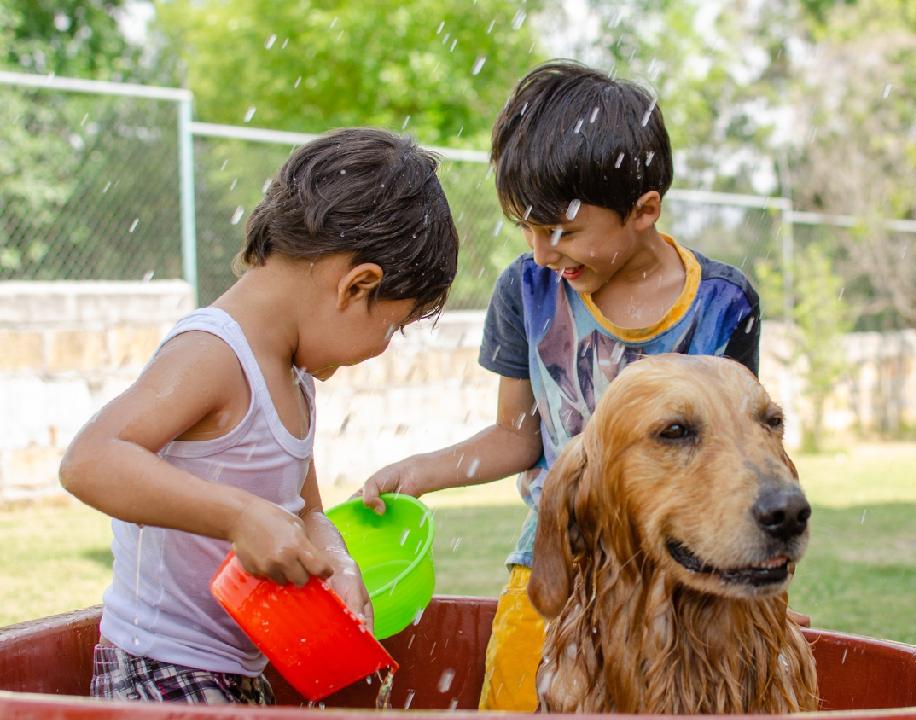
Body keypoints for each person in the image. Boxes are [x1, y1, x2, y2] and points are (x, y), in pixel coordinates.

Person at [359, 60, 761, 711]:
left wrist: (753, 587)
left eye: (565, 231)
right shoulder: (528, 291)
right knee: (519, 696)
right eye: (528, 227)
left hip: (683, 579)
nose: (544, 252)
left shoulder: (719, 304)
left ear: (643, 210)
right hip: (552, 566)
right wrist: (425, 469)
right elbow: (518, 438)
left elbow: (741, 462)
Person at [60, 127, 459, 705]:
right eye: (394, 326)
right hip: (159, 671)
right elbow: (90, 460)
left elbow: (310, 512)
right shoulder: (216, 353)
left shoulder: (296, 379)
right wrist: (240, 516)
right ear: (357, 284)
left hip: (235, 671)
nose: (384, 346)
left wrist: (340, 564)